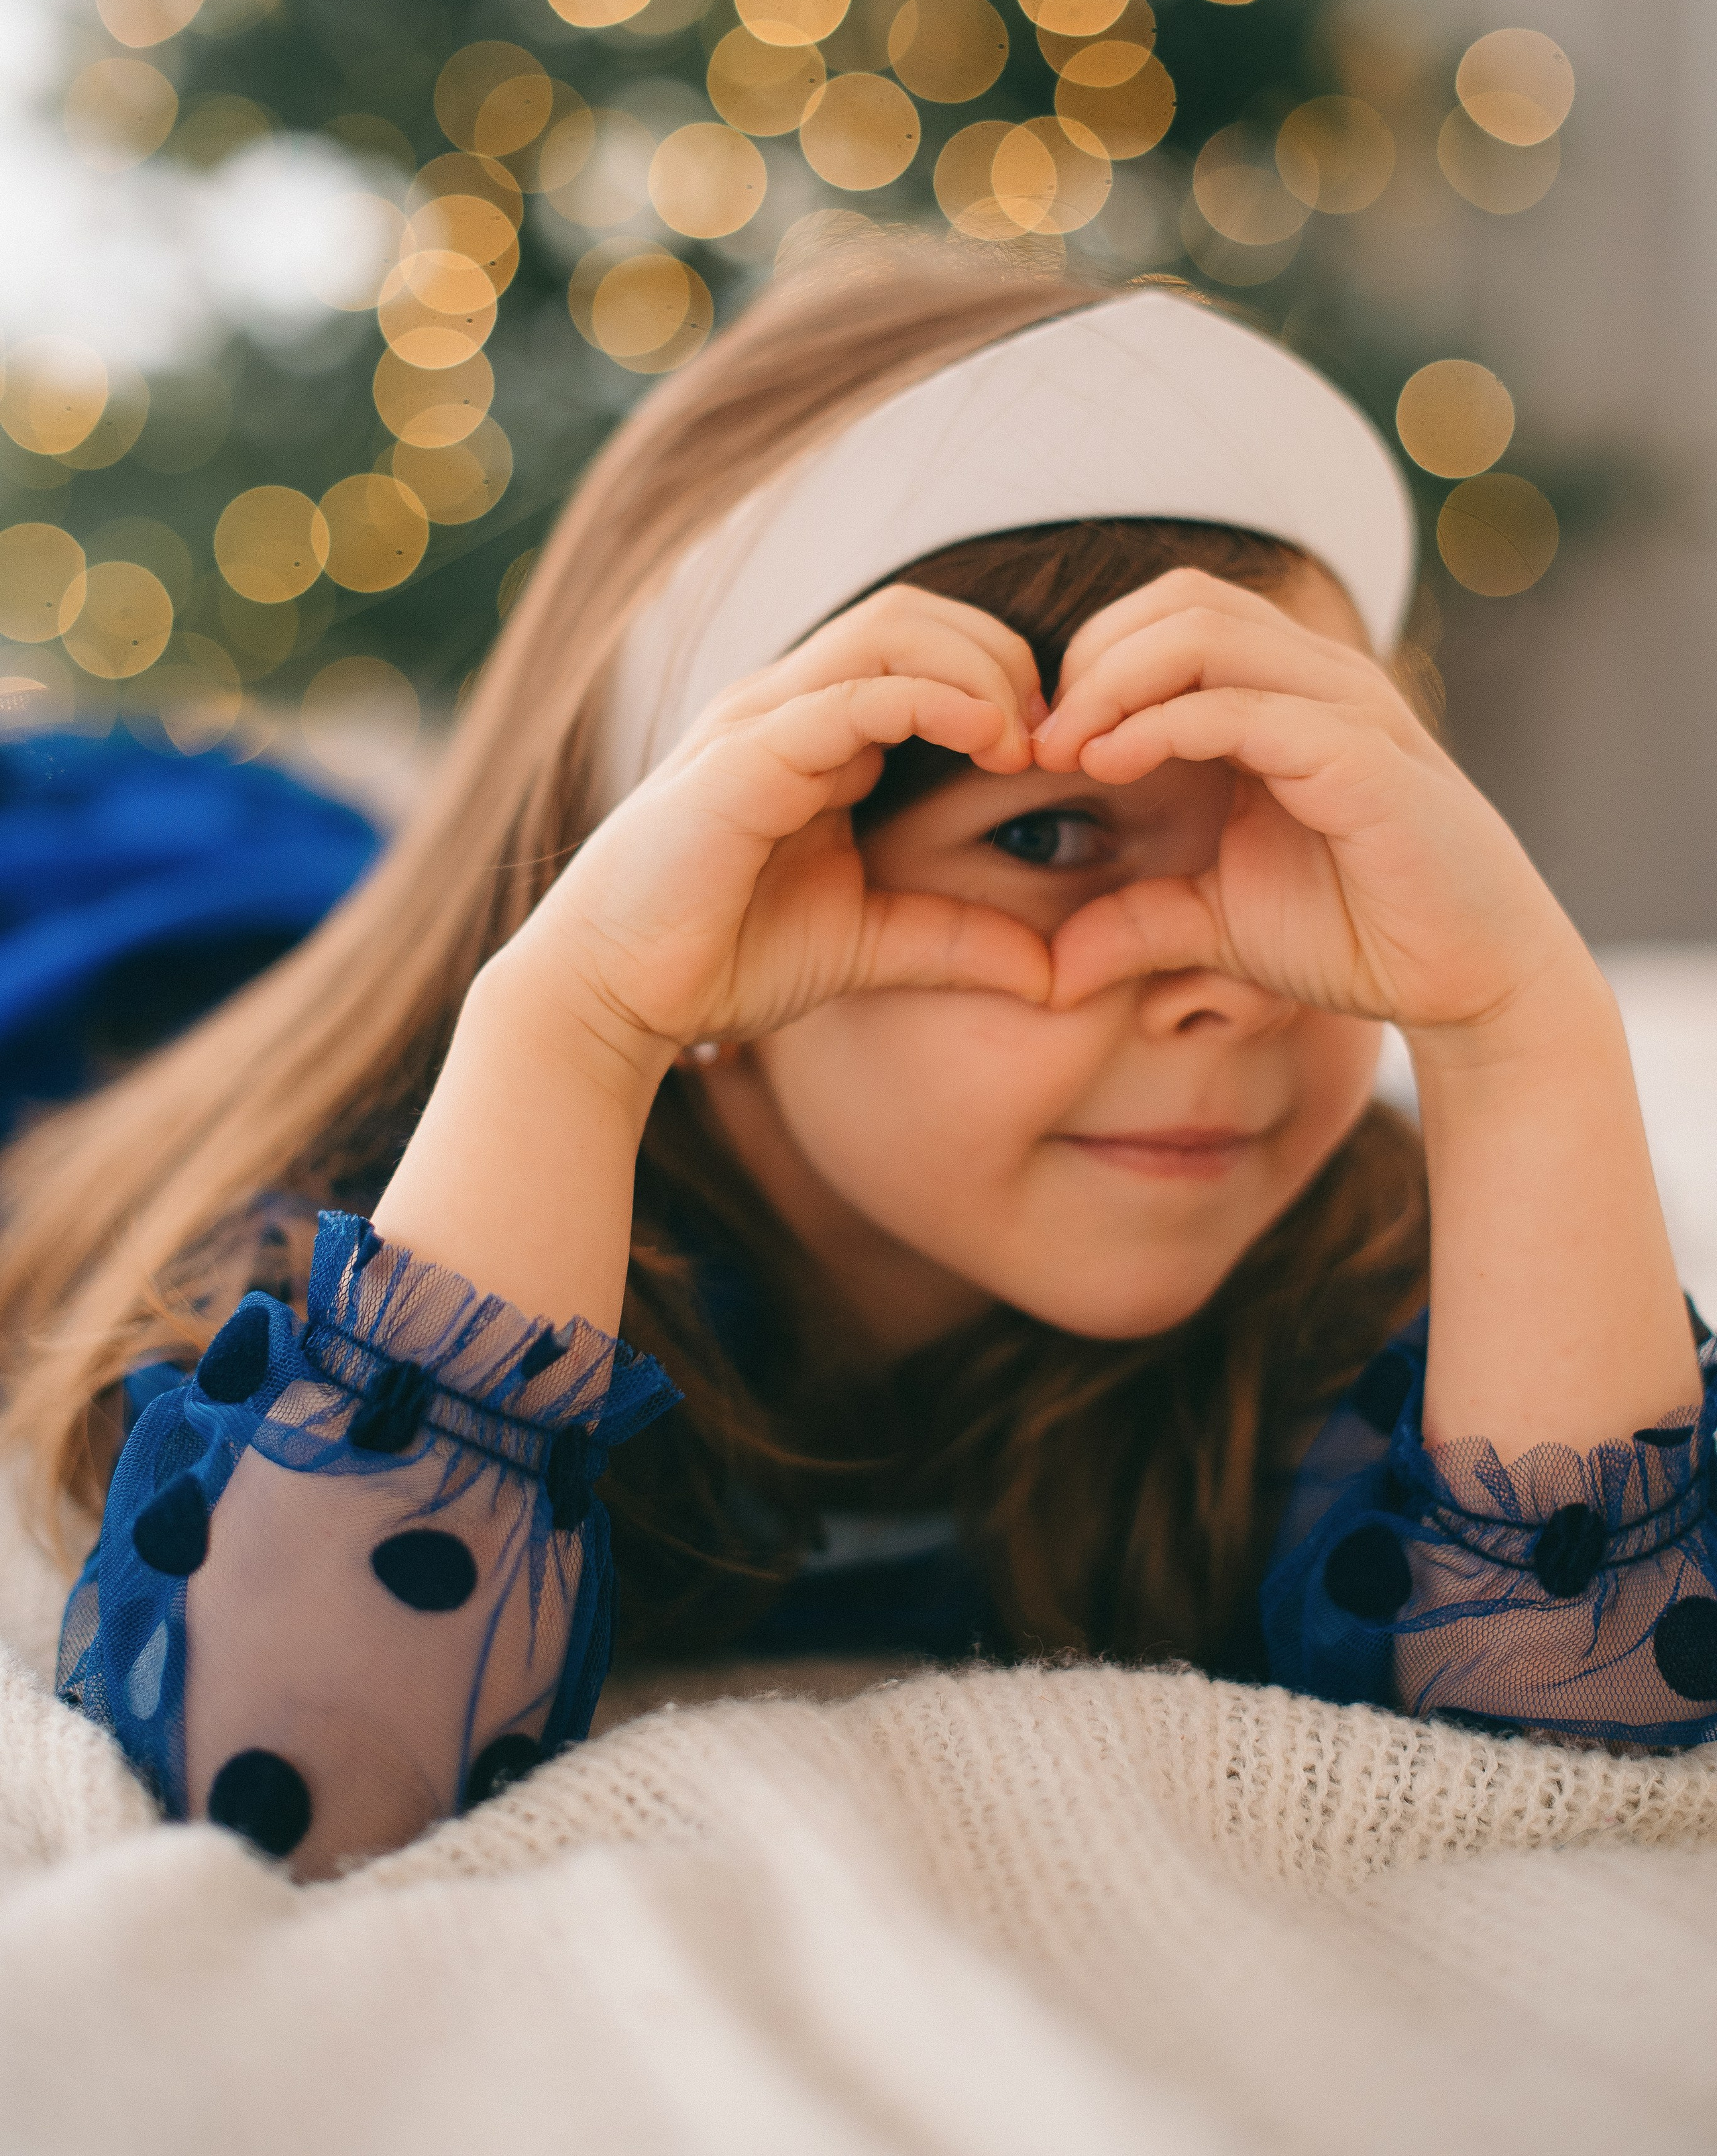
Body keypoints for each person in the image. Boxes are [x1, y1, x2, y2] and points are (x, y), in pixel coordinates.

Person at [3, 261, 1712, 1884]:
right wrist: (580, 1022)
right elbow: (285, 1786)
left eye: (1298, 829)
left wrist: (1515, 1036)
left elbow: (1588, 1744)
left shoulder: (1348, 1272)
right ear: (715, 907)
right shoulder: (364, 1251)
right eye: (1047, 834)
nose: (1229, 990)